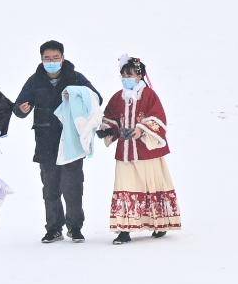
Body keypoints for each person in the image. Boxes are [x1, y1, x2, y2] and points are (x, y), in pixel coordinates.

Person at [10, 40, 96, 242]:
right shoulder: (35, 80)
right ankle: (53, 228)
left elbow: (94, 98)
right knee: (50, 188)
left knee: (73, 186)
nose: (51, 62)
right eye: (47, 58)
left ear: (62, 58)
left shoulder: (75, 77)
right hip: (46, 140)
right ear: (41, 59)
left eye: (55, 58)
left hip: (71, 141)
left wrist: (77, 95)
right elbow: (18, 106)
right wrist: (21, 110)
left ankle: (75, 228)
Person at [99, 55, 179, 240]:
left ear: (140, 75)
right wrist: (108, 130)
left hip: (147, 152)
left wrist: (140, 130)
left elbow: (158, 118)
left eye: (131, 74)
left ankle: (158, 223)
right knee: (124, 186)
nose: (127, 78)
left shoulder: (149, 95)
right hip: (125, 152)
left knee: (152, 185)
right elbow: (110, 117)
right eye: (124, 75)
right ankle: (125, 229)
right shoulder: (118, 97)